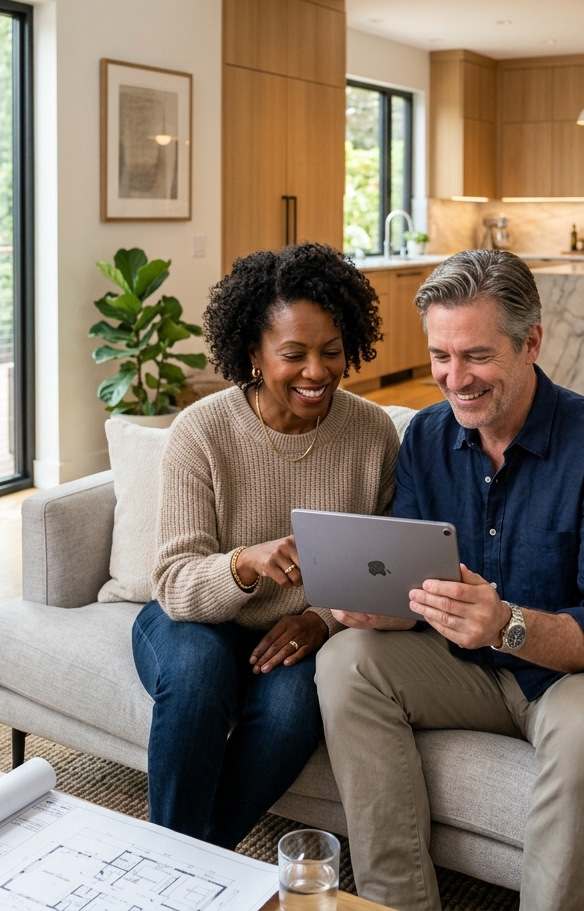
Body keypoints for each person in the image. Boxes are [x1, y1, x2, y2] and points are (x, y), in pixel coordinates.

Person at [316, 249, 584, 911]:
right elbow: (420, 588)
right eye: (441, 357)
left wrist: (507, 623)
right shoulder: (426, 438)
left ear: (531, 342)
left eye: (476, 356)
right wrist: (382, 610)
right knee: (346, 659)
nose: (455, 378)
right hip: (471, 668)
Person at [132, 241, 400, 850]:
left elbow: (382, 571)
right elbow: (173, 582)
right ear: (253, 353)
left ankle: (193, 858)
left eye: (332, 352)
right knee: (199, 676)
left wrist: (322, 619)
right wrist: (243, 564)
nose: (317, 372)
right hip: (193, 619)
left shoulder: (372, 434)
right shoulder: (202, 431)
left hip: (296, 630)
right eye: (294, 354)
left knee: (291, 712)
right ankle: (170, 863)